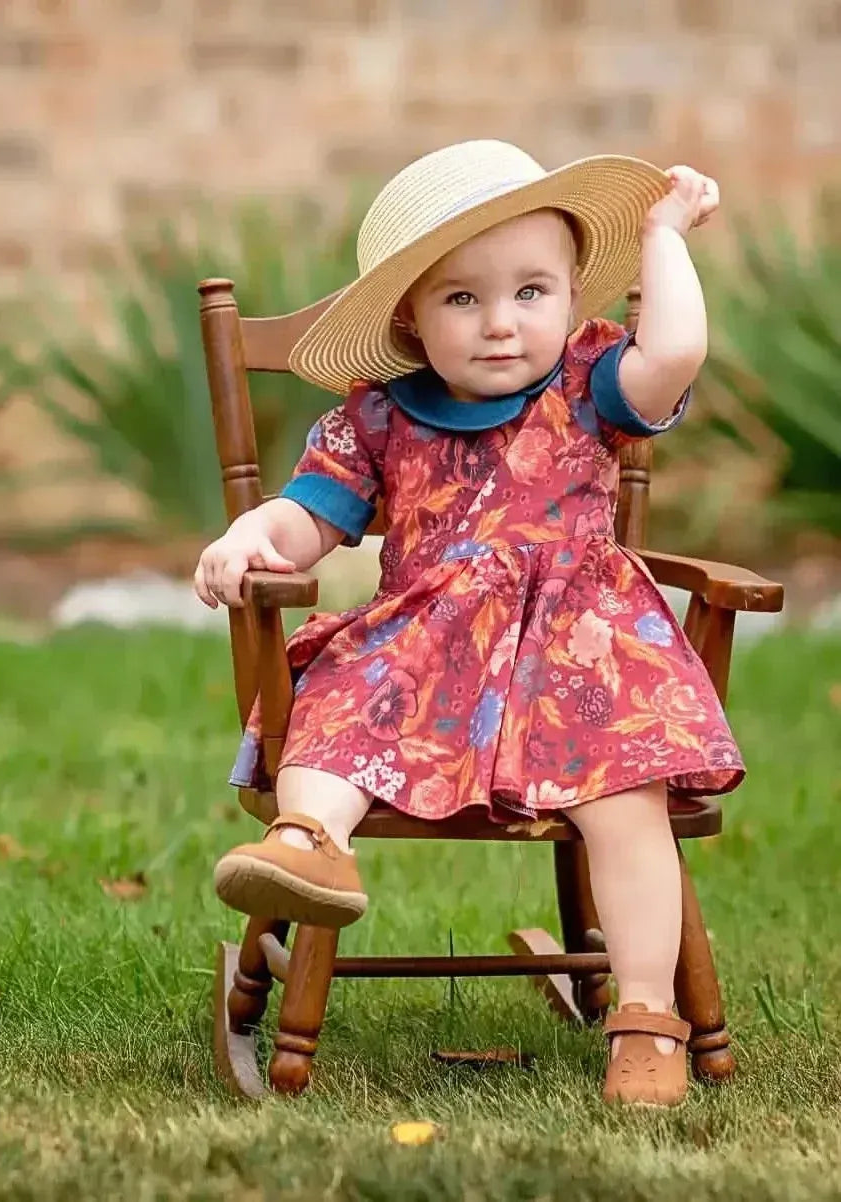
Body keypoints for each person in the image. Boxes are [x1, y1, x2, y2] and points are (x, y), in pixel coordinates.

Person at [194, 140, 738, 1106]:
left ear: (573, 294)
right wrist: (253, 533)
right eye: (462, 300)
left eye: (532, 292)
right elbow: (309, 517)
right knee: (338, 706)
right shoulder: (378, 415)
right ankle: (309, 843)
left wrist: (663, 235)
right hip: (428, 649)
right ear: (410, 317)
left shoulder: (592, 383)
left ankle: (647, 1012)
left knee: (627, 804)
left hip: (582, 655)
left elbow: (678, 353)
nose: (500, 325)